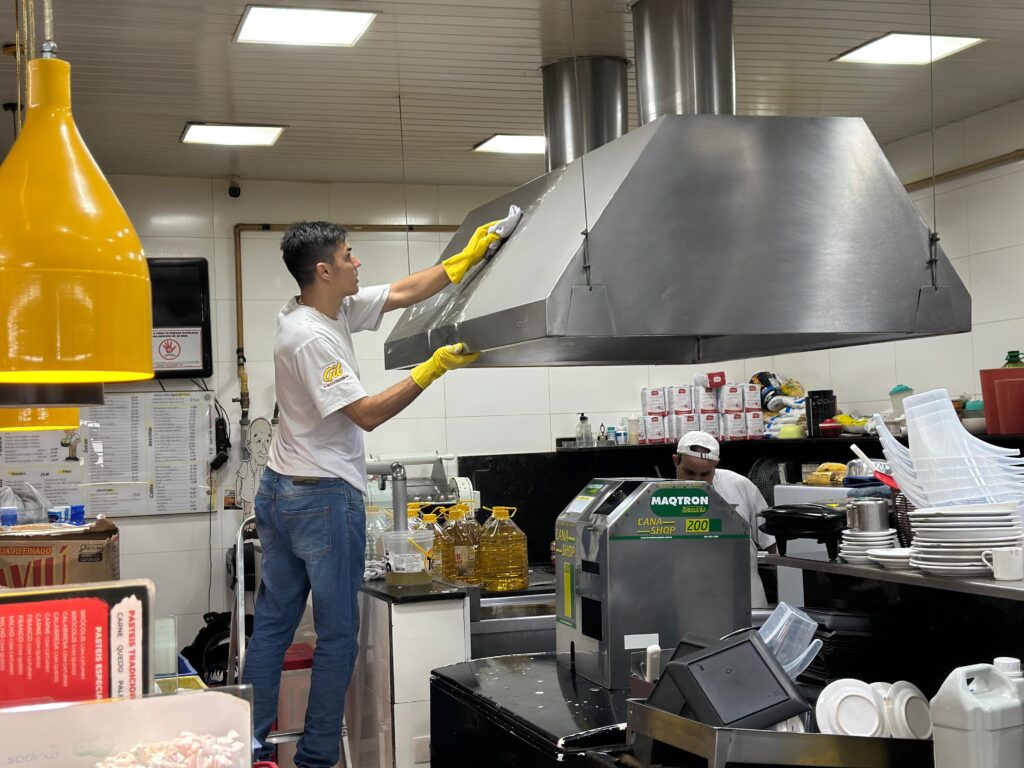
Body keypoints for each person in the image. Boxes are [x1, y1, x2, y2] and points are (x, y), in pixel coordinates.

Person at [242, 219, 499, 767]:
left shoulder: (315, 310)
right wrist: (432, 369)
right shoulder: (311, 338)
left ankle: (251, 751)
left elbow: (403, 291)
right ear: (324, 270)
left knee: (272, 628)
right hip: (322, 499)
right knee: (338, 636)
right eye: (350, 255)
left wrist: (464, 261)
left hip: (281, 490)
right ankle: (315, 760)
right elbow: (366, 414)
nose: (358, 263)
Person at [672, 431, 777, 608]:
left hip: (746, 601)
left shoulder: (740, 486)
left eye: (705, 474)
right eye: (689, 473)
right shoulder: (660, 498)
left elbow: (773, 543)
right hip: (690, 602)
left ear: (716, 464)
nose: (697, 482)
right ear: (676, 461)